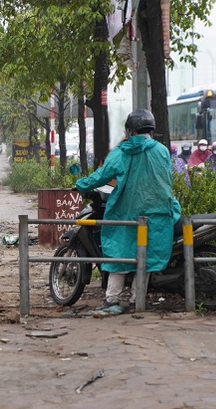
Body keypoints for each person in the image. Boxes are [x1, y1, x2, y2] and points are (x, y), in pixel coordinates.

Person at [75, 109, 181, 314]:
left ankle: (112, 300)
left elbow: (101, 176)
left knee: (118, 254)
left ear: (130, 130)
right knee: (147, 257)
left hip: (125, 212)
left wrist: (81, 185)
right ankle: (136, 300)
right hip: (158, 213)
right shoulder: (162, 151)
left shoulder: (121, 153)